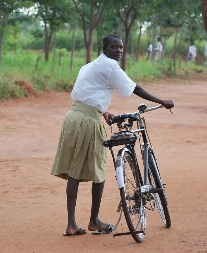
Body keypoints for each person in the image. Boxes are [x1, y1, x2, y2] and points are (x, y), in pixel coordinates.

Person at [51, 33, 174, 236]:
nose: (118, 51)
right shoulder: (110, 66)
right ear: (105, 48)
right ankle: (94, 221)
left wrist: (102, 111)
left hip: (73, 117)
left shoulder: (89, 66)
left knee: (74, 170)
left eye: (120, 47)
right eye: (114, 47)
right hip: (87, 122)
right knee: (99, 170)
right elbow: (136, 88)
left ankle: (71, 224)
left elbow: (85, 93)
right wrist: (162, 101)